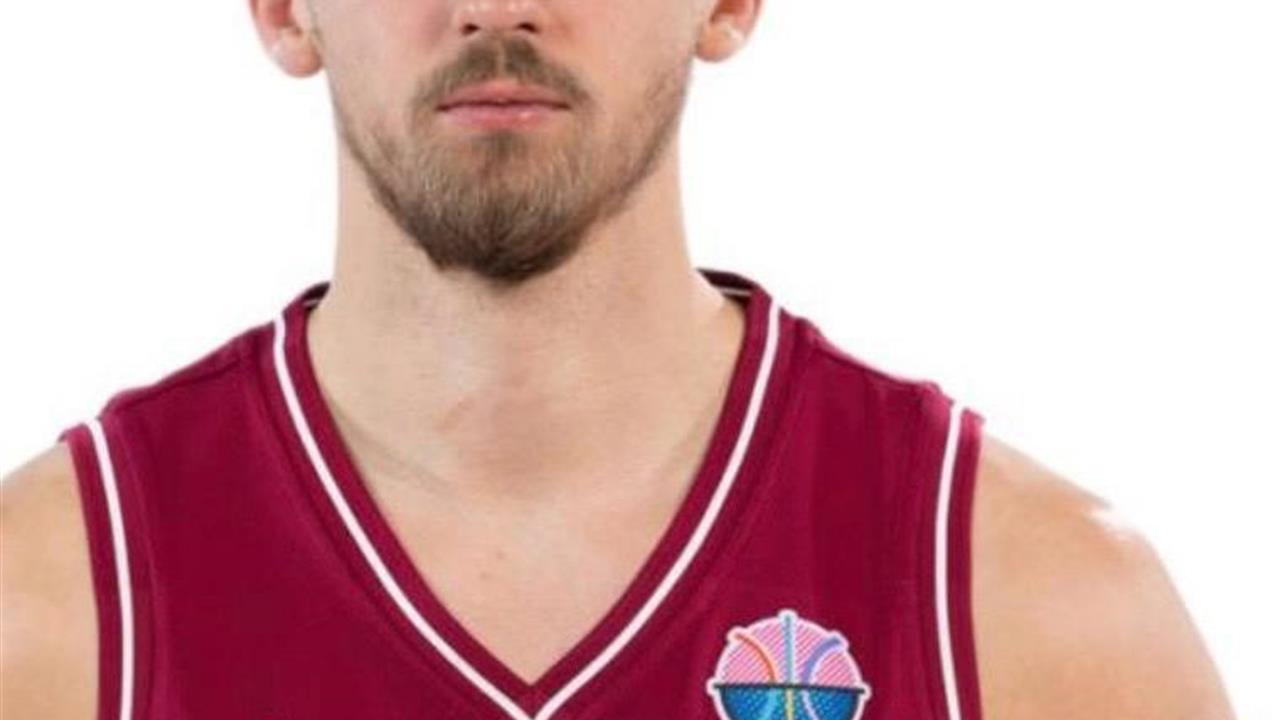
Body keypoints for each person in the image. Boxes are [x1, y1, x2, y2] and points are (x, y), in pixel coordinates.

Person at [1, 1, 1233, 718]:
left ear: (728, 0)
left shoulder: (1037, 613)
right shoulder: (46, 617)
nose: (495, 7)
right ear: (279, 5)